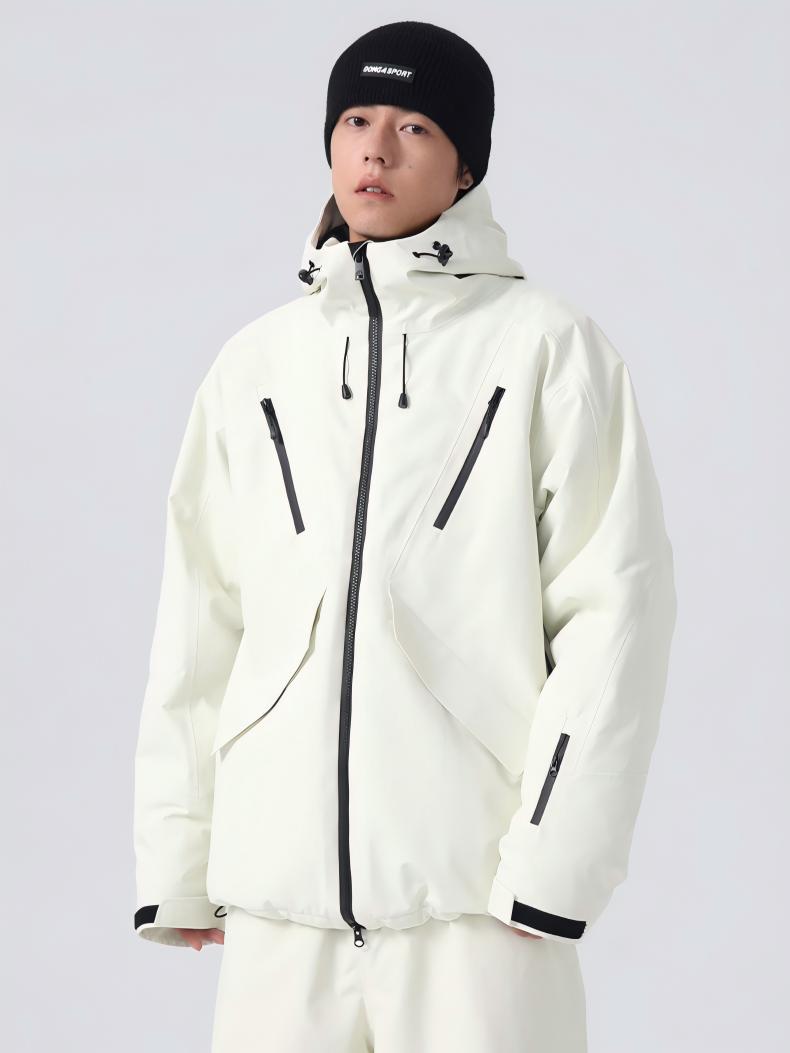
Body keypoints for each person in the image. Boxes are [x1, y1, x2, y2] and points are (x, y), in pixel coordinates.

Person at [132, 19, 677, 1052]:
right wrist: (178, 861)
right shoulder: (256, 366)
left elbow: (616, 619)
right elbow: (199, 622)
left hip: (476, 913)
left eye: (414, 125)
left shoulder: (547, 350)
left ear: (466, 164)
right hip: (279, 914)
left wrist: (554, 866)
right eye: (355, 120)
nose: (376, 150)